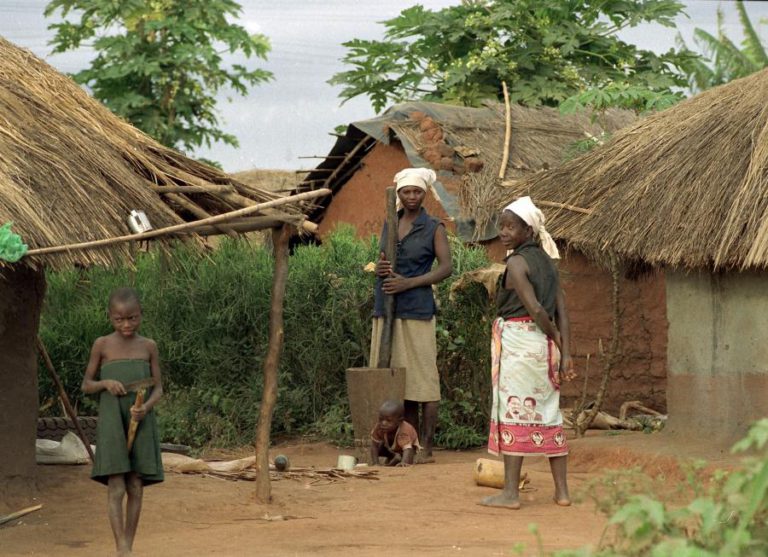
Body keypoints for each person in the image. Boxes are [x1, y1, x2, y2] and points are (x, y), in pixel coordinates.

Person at [480, 196, 576, 510]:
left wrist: (556, 337)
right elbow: (562, 311)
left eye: (511, 227)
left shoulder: (516, 263)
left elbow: (535, 309)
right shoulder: (548, 263)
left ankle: (510, 493)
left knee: (514, 412)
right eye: (502, 226)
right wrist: (564, 350)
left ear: (528, 231)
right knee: (549, 413)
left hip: (521, 345)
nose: (503, 232)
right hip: (545, 349)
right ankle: (562, 492)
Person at [370, 167, 453, 461]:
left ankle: (426, 447)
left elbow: (446, 268)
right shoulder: (390, 221)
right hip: (387, 306)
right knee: (395, 379)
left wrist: (409, 283)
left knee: (423, 381)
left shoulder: (433, 227)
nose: (412, 197)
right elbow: (383, 258)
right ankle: (397, 444)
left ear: (425, 193)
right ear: (399, 194)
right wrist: (381, 267)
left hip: (417, 309)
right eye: (406, 192)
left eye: (417, 191)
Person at [82, 287, 164, 556]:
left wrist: (145, 408)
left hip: (140, 420)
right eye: (119, 319)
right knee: (116, 484)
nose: (126, 325)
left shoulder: (149, 346)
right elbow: (86, 385)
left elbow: (158, 388)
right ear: (110, 317)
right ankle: (122, 547)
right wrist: (105, 383)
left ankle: (127, 545)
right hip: (112, 421)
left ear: (141, 315)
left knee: (136, 485)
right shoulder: (102, 345)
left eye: (132, 318)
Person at [369, 400, 420, 466]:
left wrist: (404, 462)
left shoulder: (404, 430)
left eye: (388, 420)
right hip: (392, 448)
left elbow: (408, 449)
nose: (383, 423)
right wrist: (376, 463)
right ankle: (394, 457)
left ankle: (402, 459)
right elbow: (374, 446)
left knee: (408, 455)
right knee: (378, 447)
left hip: (409, 448)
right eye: (381, 419)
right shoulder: (379, 427)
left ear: (399, 421)